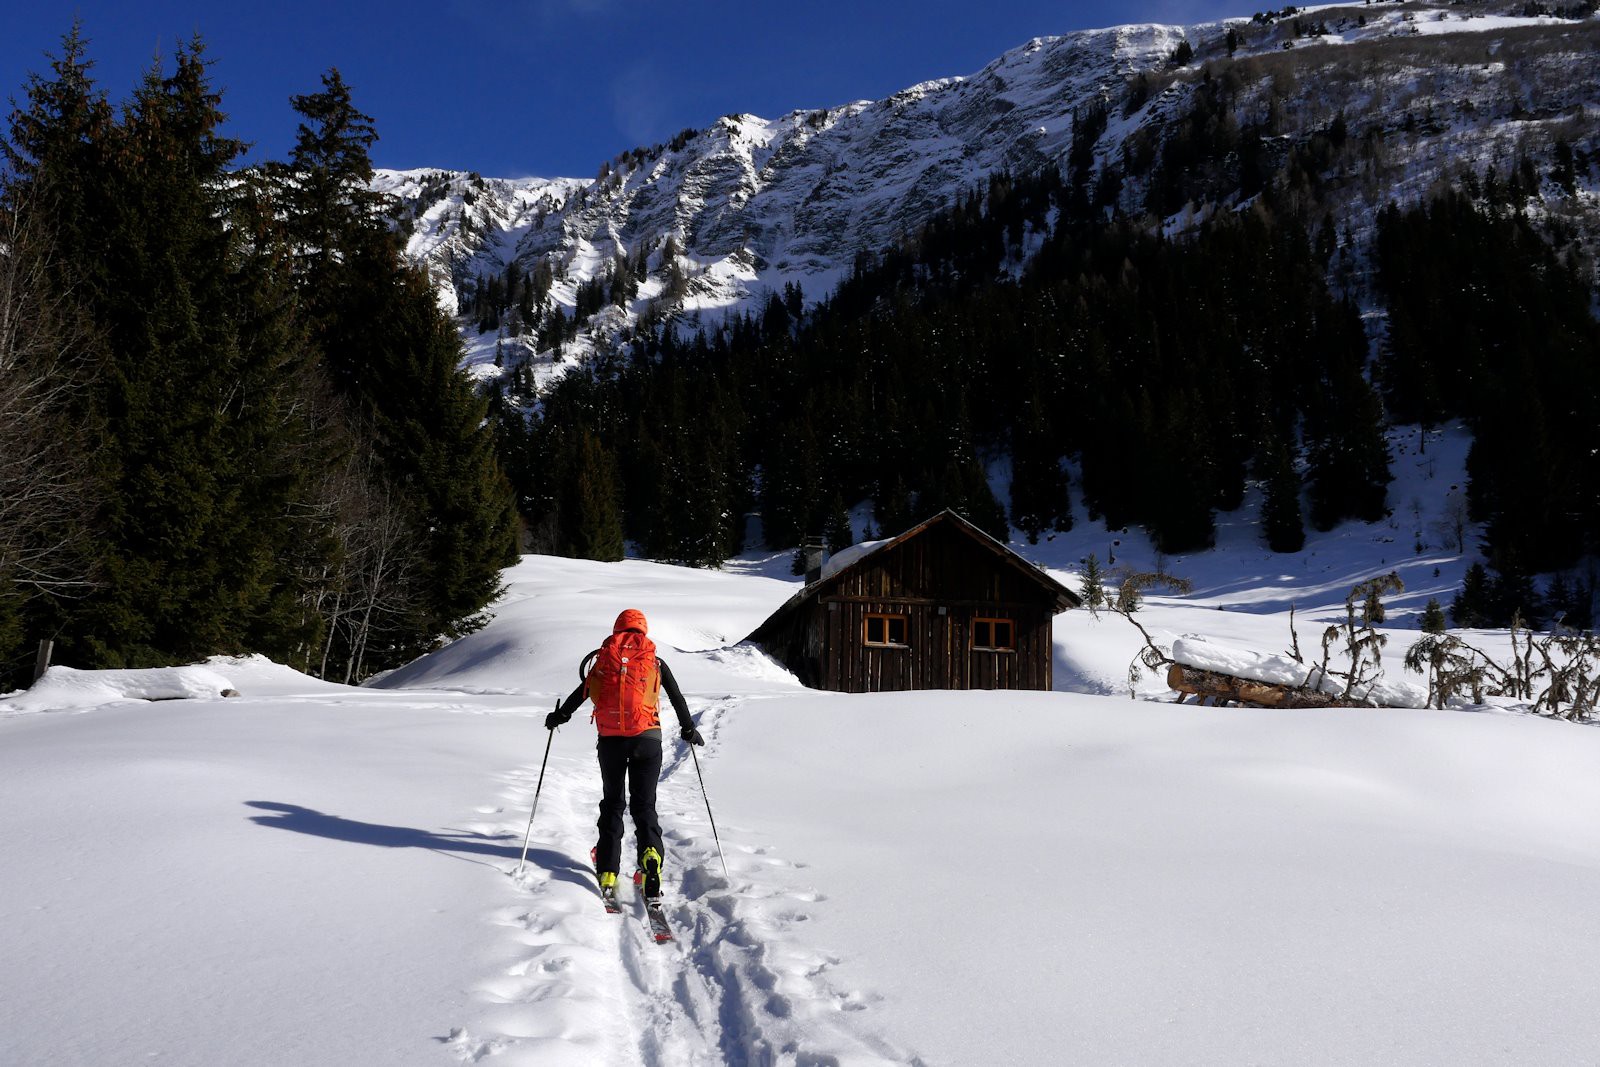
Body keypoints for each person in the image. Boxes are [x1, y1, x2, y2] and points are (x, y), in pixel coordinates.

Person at [546, 608, 703, 905]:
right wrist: (688, 729)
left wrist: (559, 716)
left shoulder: (604, 659)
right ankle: (651, 858)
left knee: (613, 803)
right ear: (644, 629)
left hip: (611, 743)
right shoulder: (655, 660)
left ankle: (607, 871)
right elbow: (676, 697)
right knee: (644, 805)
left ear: (617, 629)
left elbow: (581, 693)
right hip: (648, 740)